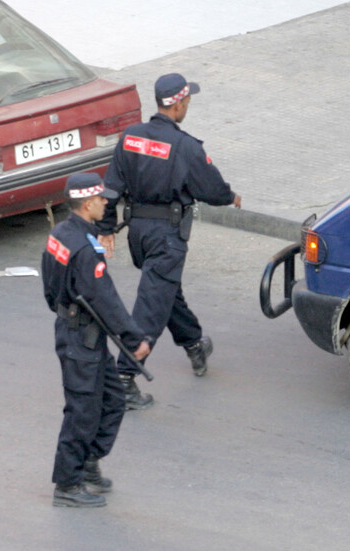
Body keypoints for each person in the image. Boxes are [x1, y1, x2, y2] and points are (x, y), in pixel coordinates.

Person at [97, 73, 242, 410]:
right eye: (187, 100)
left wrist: (105, 227)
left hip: (139, 236)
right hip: (167, 238)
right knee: (150, 308)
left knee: (165, 293)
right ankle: (123, 379)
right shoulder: (186, 147)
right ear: (178, 103)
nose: (188, 104)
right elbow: (212, 188)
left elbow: (111, 188)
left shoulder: (131, 137)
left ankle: (194, 345)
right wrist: (230, 197)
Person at [42, 173, 152, 507]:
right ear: (88, 203)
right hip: (81, 338)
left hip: (82, 334)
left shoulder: (61, 234)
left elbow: (50, 289)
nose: (107, 203)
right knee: (82, 412)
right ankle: (68, 485)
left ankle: (88, 462)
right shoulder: (86, 249)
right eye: (102, 199)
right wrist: (134, 338)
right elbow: (105, 298)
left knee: (113, 400)